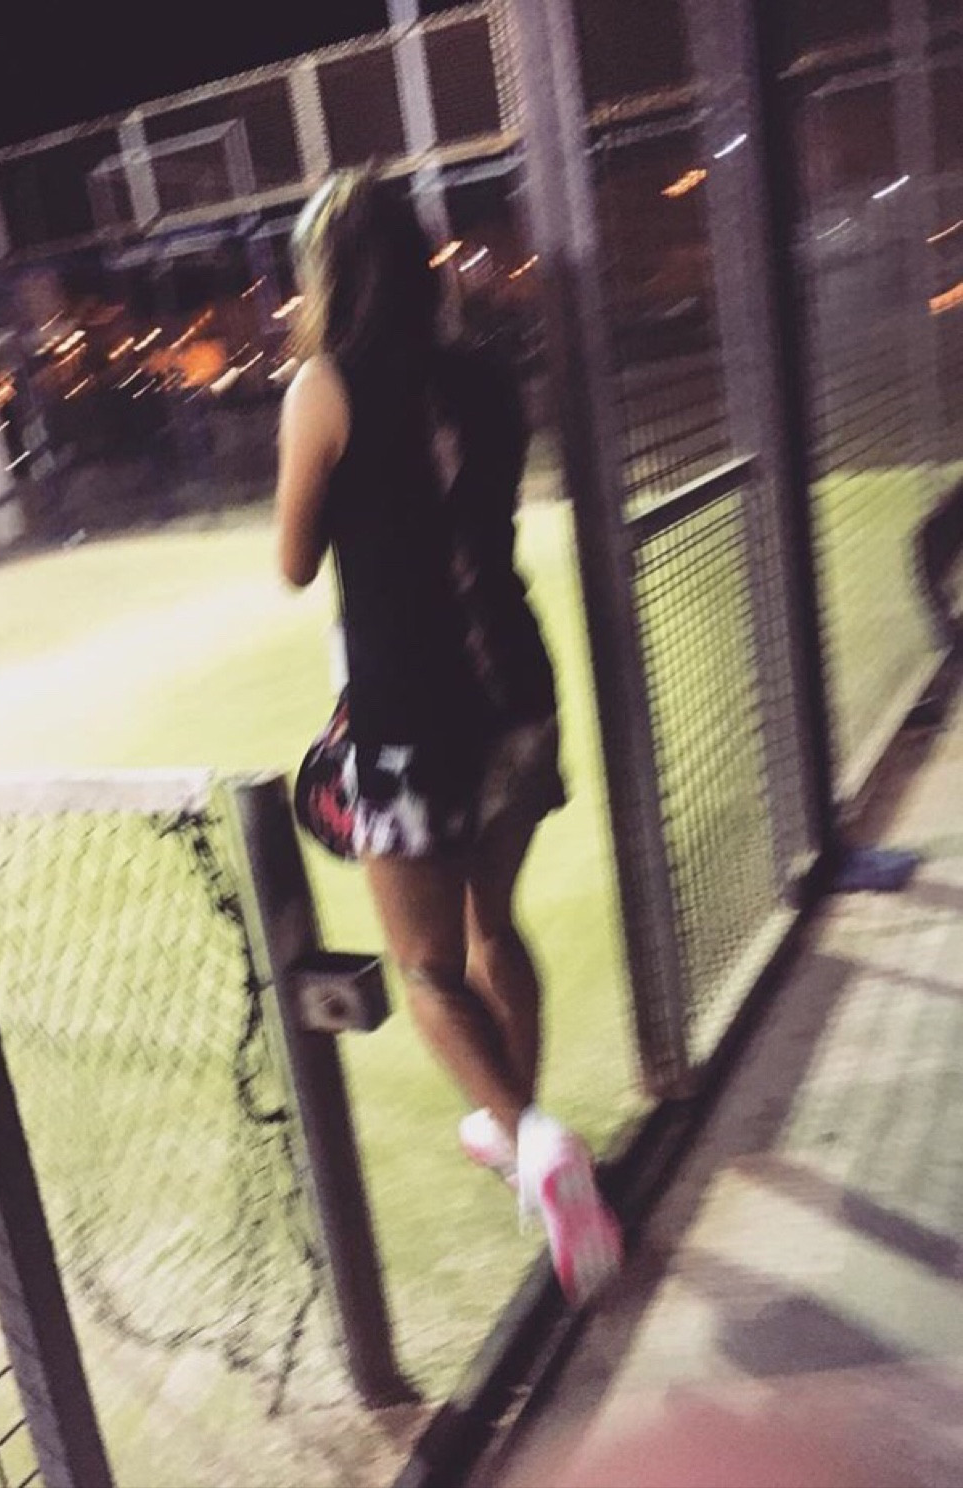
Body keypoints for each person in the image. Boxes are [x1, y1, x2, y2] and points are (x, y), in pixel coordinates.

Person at [274, 167, 621, 1304]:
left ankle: (535, 1142)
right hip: (514, 686)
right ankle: (517, 1134)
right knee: (493, 927)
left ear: (328, 275)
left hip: (408, 715)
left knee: (425, 967)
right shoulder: (485, 373)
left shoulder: (323, 386)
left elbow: (294, 562)